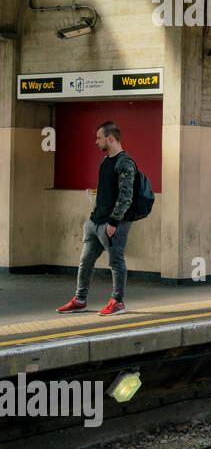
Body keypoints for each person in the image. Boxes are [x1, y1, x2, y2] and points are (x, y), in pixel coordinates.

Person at [57, 120, 137, 315]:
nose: (96, 142)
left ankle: (118, 302)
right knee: (85, 261)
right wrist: (91, 219)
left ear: (110, 139)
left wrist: (114, 222)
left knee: (115, 262)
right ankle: (80, 299)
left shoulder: (125, 163)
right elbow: (104, 193)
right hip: (95, 222)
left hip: (112, 224)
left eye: (99, 138)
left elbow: (126, 196)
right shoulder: (104, 162)